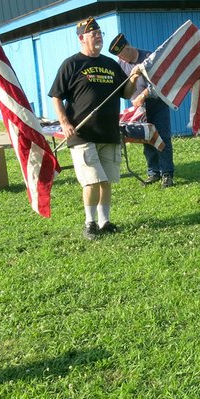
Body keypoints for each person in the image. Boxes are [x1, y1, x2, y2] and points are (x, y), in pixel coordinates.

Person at [48, 17, 140, 240]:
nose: (98, 37)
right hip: (82, 134)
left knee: (106, 181)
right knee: (92, 180)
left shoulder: (111, 64)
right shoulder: (72, 64)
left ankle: (105, 222)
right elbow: (56, 96)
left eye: (100, 33)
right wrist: (64, 122)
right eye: (93, 34)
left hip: (108, 132)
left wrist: (134, 77)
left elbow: (126, 93)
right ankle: (89, 223)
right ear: (81, 38)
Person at [108, 32, 176, 188]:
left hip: (157, 104)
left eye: (122, 54)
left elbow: (161, 82)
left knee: (163, 138)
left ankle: (167, 173)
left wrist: (144, 95)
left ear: (127, 47)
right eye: (118, 56)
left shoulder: (149, 57)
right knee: (146, 138)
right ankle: (153, 172)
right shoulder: (121, 64)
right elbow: (123, 87)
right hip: (139, 108)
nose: (121, 59)